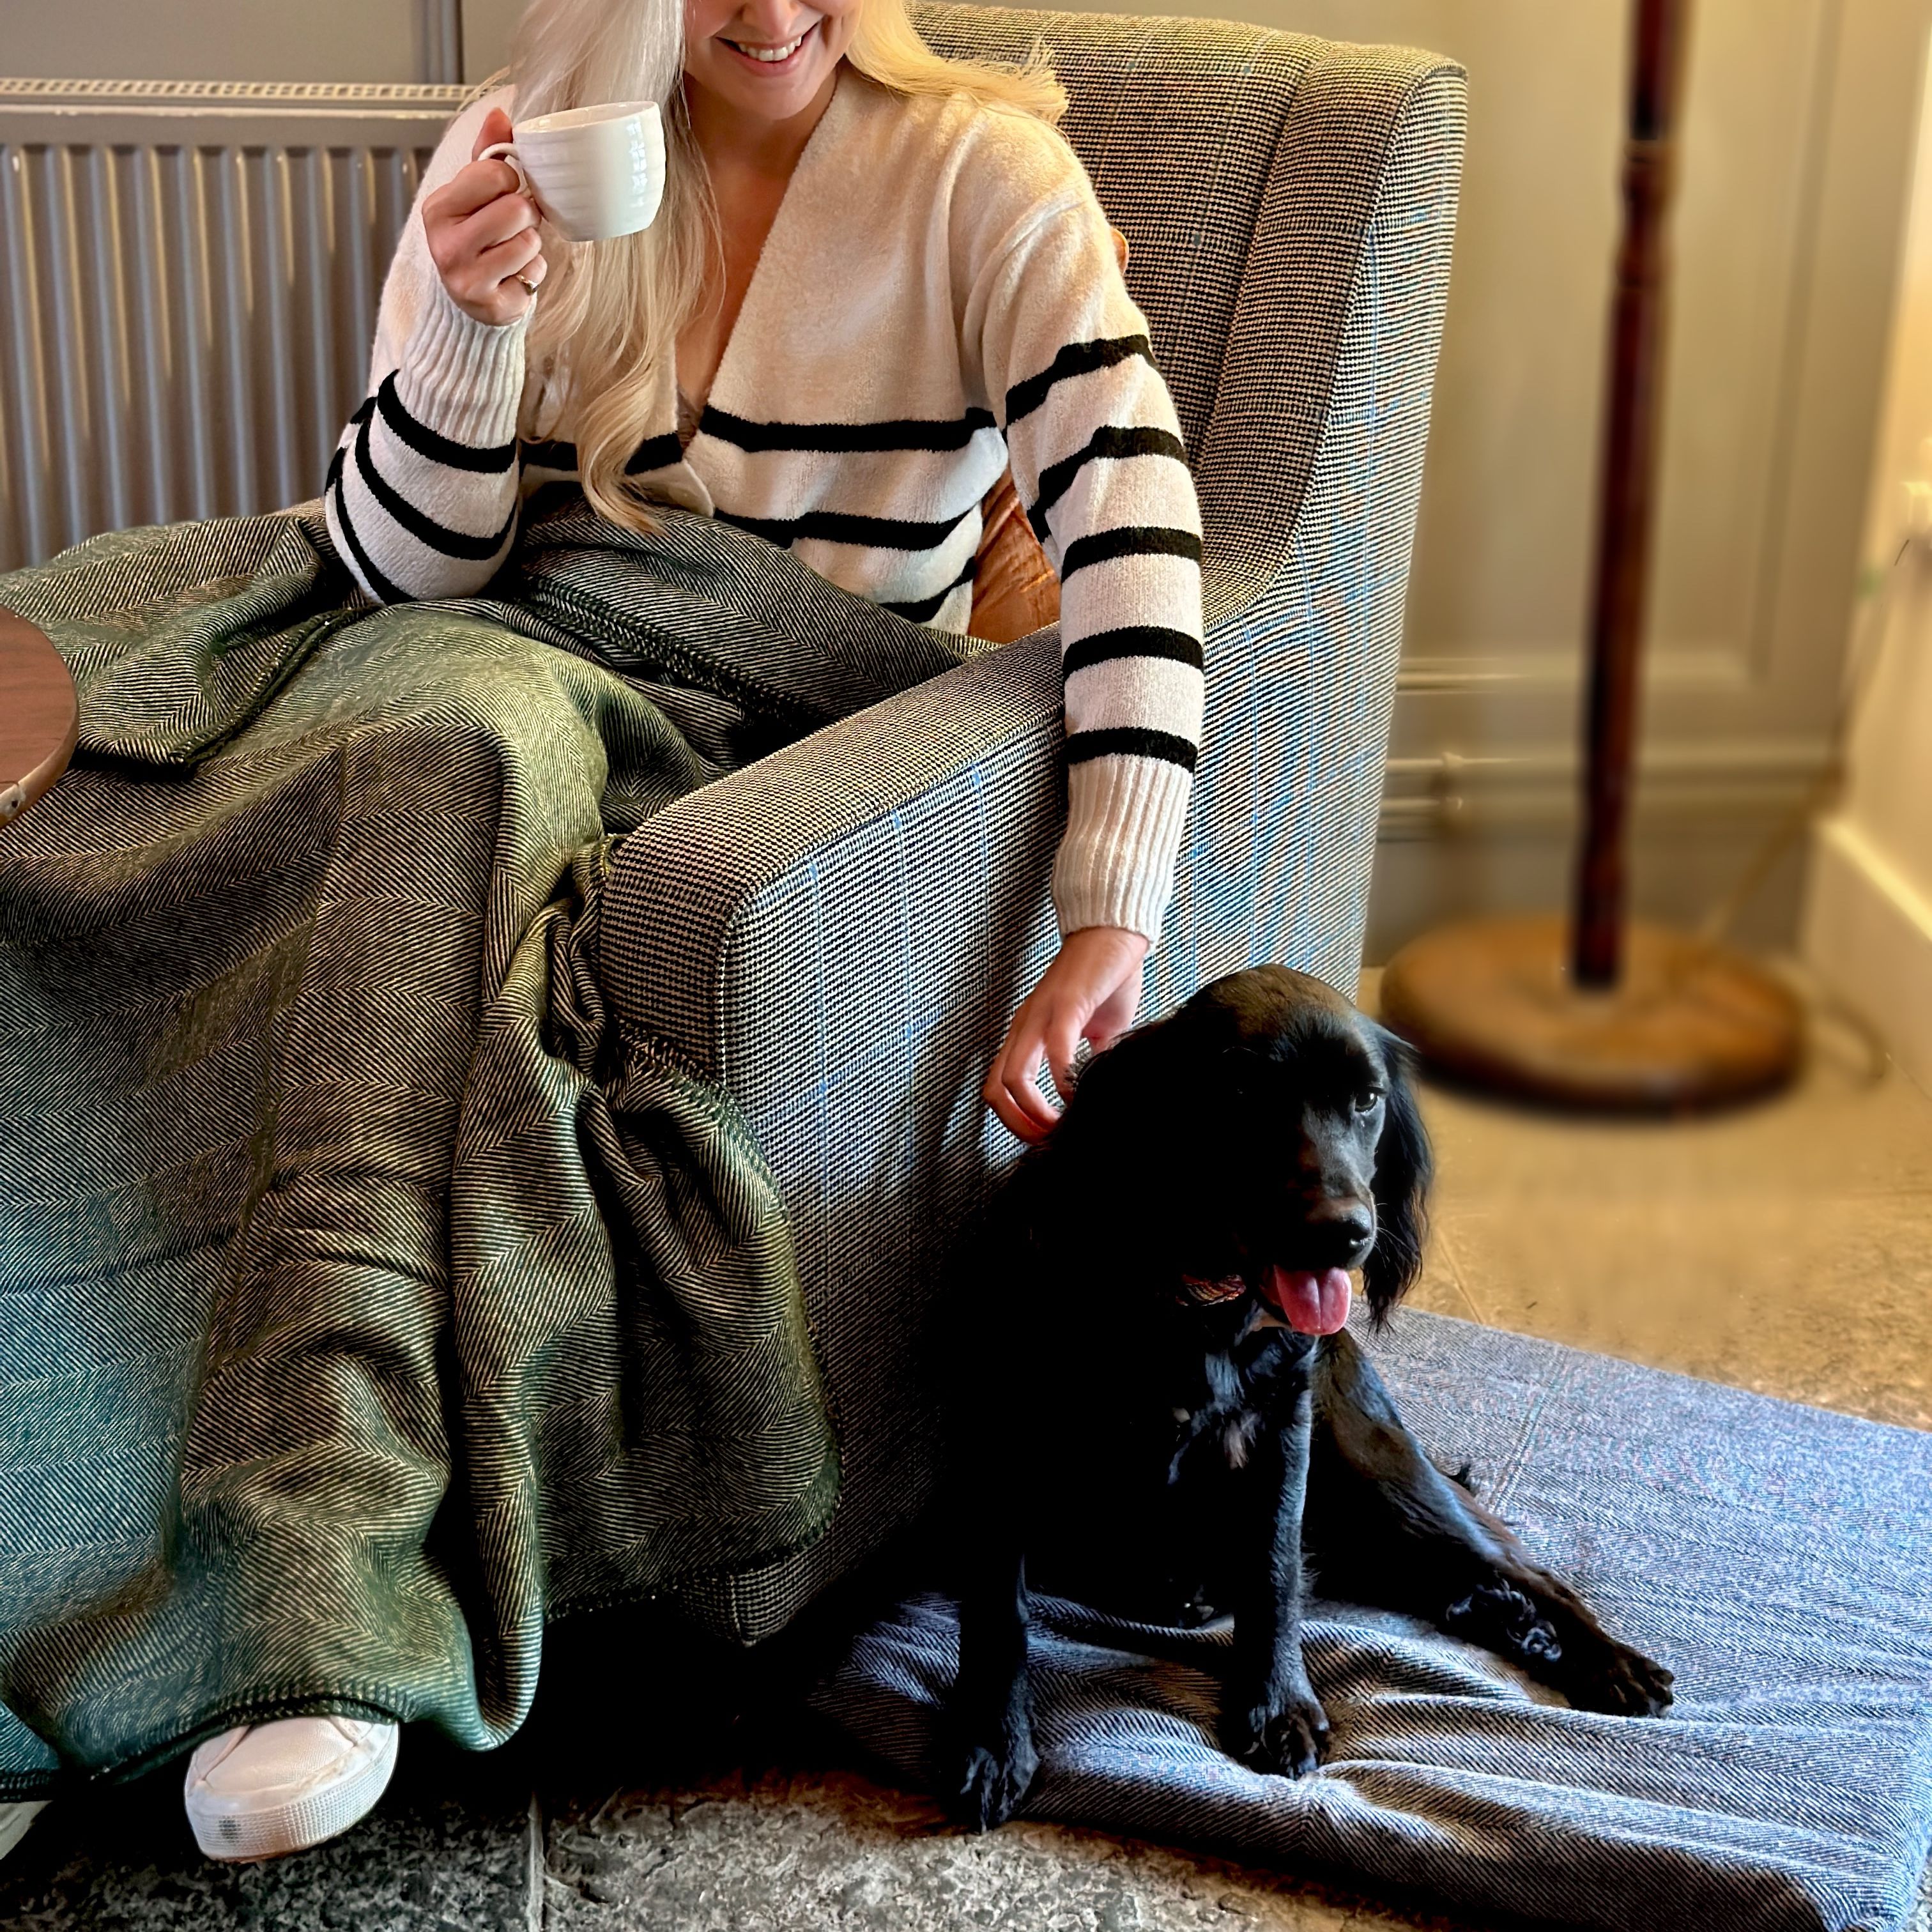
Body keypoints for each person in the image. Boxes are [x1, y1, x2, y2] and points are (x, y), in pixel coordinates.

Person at [173, 0, 1204, 1860]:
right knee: (156, 839)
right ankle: (76, 1561)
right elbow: (396, 572)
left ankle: (321, 1605)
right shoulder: (523, 147)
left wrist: (1108, 905)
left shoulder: (983, 177)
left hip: (750, 735)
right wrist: (467, 331)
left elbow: (1134, 520)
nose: (772, 8)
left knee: (434, 756)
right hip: (496, 676)